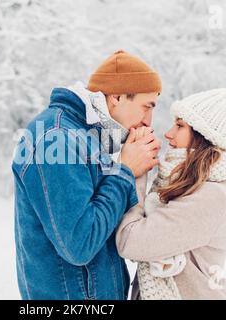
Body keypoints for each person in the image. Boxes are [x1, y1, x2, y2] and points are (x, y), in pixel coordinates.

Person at [12, 50, 162, 299]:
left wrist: (135, 172)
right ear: (116, 97)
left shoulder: (85, 137)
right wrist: (124, 170)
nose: (149, 121)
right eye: (146, 107)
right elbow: (79, 245)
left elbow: (105, 220)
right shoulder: (57, 137)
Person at [116, 88, 226, 300]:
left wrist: (133, 172)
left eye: (179, 125)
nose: (168, 133)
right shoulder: (190, 183)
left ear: (203, 136)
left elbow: (131, 241)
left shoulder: (211, 195)